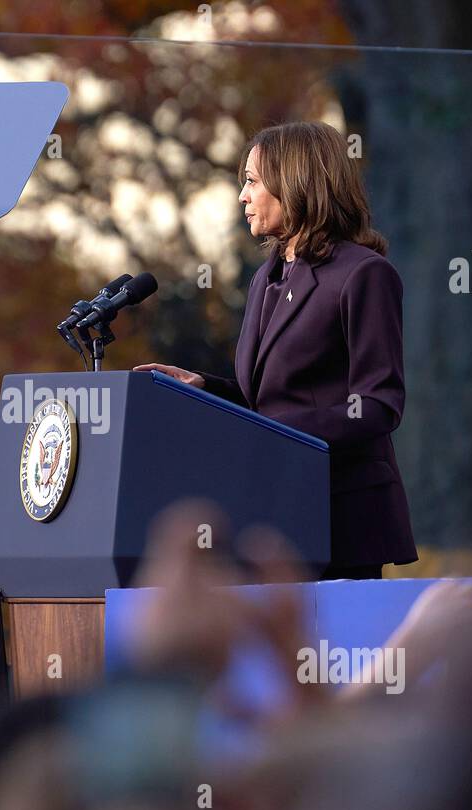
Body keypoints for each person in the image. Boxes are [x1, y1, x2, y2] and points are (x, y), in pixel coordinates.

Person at [135, 122, 417, 579]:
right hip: (271, 517)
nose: (242, 196)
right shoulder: (266, 277)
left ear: (296, 181)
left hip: (339, 519)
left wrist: (268, 431)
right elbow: (266, 399)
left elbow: (378, 405)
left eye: (251, 181)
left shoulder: (364, 274)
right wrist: (204, 387)